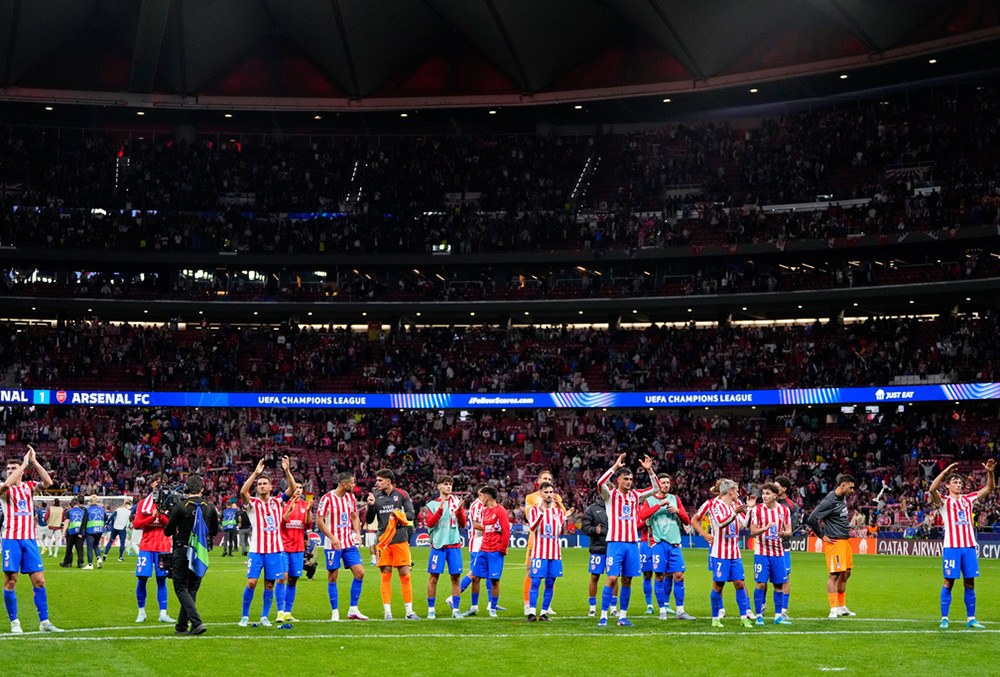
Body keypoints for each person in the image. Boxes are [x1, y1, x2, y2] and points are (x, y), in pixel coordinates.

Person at [1, 448, 63, 633]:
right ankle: (14, 623)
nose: (11, 470)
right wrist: (23, 466)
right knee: (11, 581)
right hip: (11, 539)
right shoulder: (4, 487)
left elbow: (48, 482)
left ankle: (44, 622)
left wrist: (34, 462)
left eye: (14, 467)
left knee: (40, 581)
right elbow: (5, 486)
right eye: (9, 468)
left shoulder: (29, 486)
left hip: (29, 539)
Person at [595, 452, 660, 627]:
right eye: (625, 479)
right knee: (612, 578)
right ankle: (603, 616)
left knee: (627, 580)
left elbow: (656, 489)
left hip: (632, 544)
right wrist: (615, 466)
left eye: (631, 479)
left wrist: (650, 470)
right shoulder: (610, 495)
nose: (629, 482)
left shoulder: (635, 496)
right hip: (615, 543)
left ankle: (622, 617)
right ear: (618, 480)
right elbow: (600, 483)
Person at [929, 459, 996, 629]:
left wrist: (990, 472)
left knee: (970, 582)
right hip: (951, 547)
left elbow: (989, 488)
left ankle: (971, 619)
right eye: (955, 482)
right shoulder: (944, 501)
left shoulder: (968, 499)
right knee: (948, 582)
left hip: (968, 547)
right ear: (948, 485)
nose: (959, 485)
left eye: (960, 482)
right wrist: (945, 472)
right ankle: (945, 618)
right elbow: (932, 489)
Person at [239, 456, 297, 627]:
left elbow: (292, 489)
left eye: (265, 483)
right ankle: (245, 616)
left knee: (269, 584)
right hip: (256, 549)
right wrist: (255, 474)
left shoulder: (278, 502)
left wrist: (287, 471)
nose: (262, 486)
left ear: (271, 487)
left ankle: (264, 616)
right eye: (259, 484)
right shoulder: (253, 504)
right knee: (252, 582)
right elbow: (243, 492)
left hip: (274, 551)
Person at [691, 478, 755, 628]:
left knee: (740, 584)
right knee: (718, 586)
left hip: (735, 553)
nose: (739, 494)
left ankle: (743, 617)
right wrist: (704, 535)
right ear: (730, 491)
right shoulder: (713, 504)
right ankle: (715, 618)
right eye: (737, 491)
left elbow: (745, 523)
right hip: (719, 553)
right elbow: (720, 523)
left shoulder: (736, 504)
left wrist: (750, 508)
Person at [164, 474, 219, 636]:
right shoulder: (210, 508)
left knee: (181, 587)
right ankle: (181, 626)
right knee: (192, 589)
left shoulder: (181, 506)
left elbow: (168, 531)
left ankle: (196, 622)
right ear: (202, 489)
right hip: (200, 551)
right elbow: (215, 531)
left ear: (187, 488)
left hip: (182, 549)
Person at [638, 473, 696, 621]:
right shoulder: (650, 500)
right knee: (659, 576)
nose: (666, 485)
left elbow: (687, 520)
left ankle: (680, 611)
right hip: (658, 543)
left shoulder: (675, 499)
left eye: (667, 483)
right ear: (658, 484)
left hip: (675, 543)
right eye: (663, 483)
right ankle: (662, 610)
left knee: (679, 576)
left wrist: (678, 511)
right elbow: (642, 516)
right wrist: (659, 505)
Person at [365, 468, 417, 620]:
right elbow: (369, 520)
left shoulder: (402, 495)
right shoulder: (376, 497)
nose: (377, 483)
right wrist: (370, 506)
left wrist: (398, 515)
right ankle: (388, 613)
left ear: (388, 481)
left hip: (400, 539)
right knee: (385, 576)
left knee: (405, 575)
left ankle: (409, 612)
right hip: (384, 542)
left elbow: (411, 514)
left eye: (380, 480)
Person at [316, 471, 368, 621]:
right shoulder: (327, 498)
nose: (354, 485)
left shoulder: (351, 497)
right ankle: (335, 612)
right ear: (344, 484)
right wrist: (332, 538)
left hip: (349, 542)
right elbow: (320, 521)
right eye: (352, 482)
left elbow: (354, 516)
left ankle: (353, 609)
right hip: (333, 544)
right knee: (333, 577)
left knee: (360, 573)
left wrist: (357, 533)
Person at [806, 473, 857, 618]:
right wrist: (822, 536)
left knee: (846, 573)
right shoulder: (829, 501)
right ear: (843, 485)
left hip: (845, 541)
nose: (852, 490)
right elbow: (812, 519)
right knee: (834, 574)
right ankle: (833, 608)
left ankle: (841, 606)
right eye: (851, 487)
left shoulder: (842, 497)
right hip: (835, 542)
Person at [132, 474, 176, 624]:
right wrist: (152, 517)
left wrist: (161, 515)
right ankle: (141, 612)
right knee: (142, 579)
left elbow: (171, 526)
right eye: (158, 483)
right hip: (146, 546)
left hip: (163, 546)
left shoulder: (169, 504)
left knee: (162, 580)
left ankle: (163, 614)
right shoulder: (143, 503)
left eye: (163, 483)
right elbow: (136, 524)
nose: (160, 486)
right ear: (151, 485)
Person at [748, 482, 792, 626]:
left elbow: (789, 531)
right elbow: (753, 531)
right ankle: (759, 615)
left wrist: (783, 533)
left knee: (779, 585)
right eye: (763, 493)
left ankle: (778, 616)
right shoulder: (758, 510)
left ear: (775, 495)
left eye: (767, 494)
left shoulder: (784, 510)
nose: (764, 496)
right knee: (760, 584)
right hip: (761, 552)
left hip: (778, 552)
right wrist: (765, 528)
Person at [525, 482, 570, 622]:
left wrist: (565, 519)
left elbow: (561, 532)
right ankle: (532, 613)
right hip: (539, 552)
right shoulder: (534, 510)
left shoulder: (558, 512)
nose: (549, 495)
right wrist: (542, 514)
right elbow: (533, 527)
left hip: (555, 552)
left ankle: (544, 613)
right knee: (536, 581)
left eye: (551, 492)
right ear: (540, 493)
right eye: (546, 492)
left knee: (550, 582)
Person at [425, 475, 466, 620]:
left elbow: (463, 524)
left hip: (454, 544)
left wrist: (460, 511)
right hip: (438, 545)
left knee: (455, 578)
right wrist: (440, 510)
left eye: (450, 484)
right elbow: (430, 523)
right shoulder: (432, 505)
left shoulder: (456, 502)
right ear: (439, 487)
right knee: (433, 578)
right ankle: (431, 610)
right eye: (445, 484)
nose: (448, 487)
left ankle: (456, 609)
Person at [468, 486, 510, 618]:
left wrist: (502, 549)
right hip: (483, 549)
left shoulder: (501, 511)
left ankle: (492, 608)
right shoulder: (485, 511)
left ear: (486, 497)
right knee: (475, 577)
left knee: (494, 580)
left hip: (495, 551)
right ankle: (473, 607)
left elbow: (506, 531)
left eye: (482, 497)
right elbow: (486, 528)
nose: (481, 500)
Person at [275, 481, 311, 623]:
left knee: (293, 580)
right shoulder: (282, 504)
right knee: (282, 577)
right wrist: (289, 509)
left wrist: (308, 512)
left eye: (300, 488)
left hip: (298, 548)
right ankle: (280, 612)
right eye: (295, 487)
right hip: (283, 547)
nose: (298, 490)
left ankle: (288, 612)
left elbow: (308, 525)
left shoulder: (304, 505)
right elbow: (280, 523)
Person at [581, 493, 618, 617]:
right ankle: (592, 607)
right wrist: (593, 530)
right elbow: (585, 527)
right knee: (594, 577)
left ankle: (613, 607)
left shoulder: (617, 506)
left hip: (614, 547)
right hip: (598, 548)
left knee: (614, 577)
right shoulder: (592, 509)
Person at [458, 483, 486, 616]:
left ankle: (491, 604)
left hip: (482, 542)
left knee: (484, 574)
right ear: (480, 492)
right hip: (477, 543)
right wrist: (493, 529)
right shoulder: (477, 505)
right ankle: (453, 597)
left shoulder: (482, 505)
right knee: (474, 573)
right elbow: (476, 525)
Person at [773, 475, 798, 620]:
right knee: (764, 579)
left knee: (785, 578)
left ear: (784, 489)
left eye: (776, 486)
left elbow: (792, 527)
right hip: (767, 546)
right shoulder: (769, 502)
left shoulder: (792, 505)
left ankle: (783, 609)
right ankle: (762, 607)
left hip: (783, 546)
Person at [102, 497, 132, 563]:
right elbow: (131, 519)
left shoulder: (118, 510)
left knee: (110, 541)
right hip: (122, 528)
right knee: (122, 543)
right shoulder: (129, 512)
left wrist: (106, 524)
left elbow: (111, 517)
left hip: (115, 527)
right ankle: (120, 557)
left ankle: (105, 554)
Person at [59, 496, 86, 569]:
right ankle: (80, 563)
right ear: (78, 503)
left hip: (71, 531)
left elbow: (67, 522)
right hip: (80, 532)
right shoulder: (83, 512)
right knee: (80, 548)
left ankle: (67, 563)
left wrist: (63, 532)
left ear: (71, 504)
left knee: (69, 548)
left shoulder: (69, 511)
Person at [83, 495, 107, 570]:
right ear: (97, 501)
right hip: (99, 529)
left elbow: (84, 521)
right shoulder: (102, 509)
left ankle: (90, 564)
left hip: (90, 530)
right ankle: (99, 558)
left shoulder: (87, 510)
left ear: (90, 501)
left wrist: (82, 530)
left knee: (89, 547)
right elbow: (106, 518)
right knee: (96, 545)